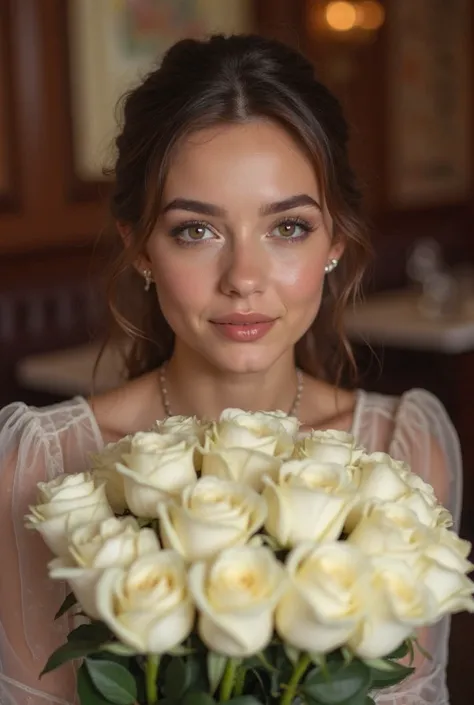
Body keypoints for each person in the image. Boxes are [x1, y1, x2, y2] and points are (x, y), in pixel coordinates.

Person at [0, 34, 461, 705]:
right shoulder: (37, 469)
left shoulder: (405, 449)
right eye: (196, 230)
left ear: (335, 238)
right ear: (141, 249)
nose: (244, 278)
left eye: (288, 228)